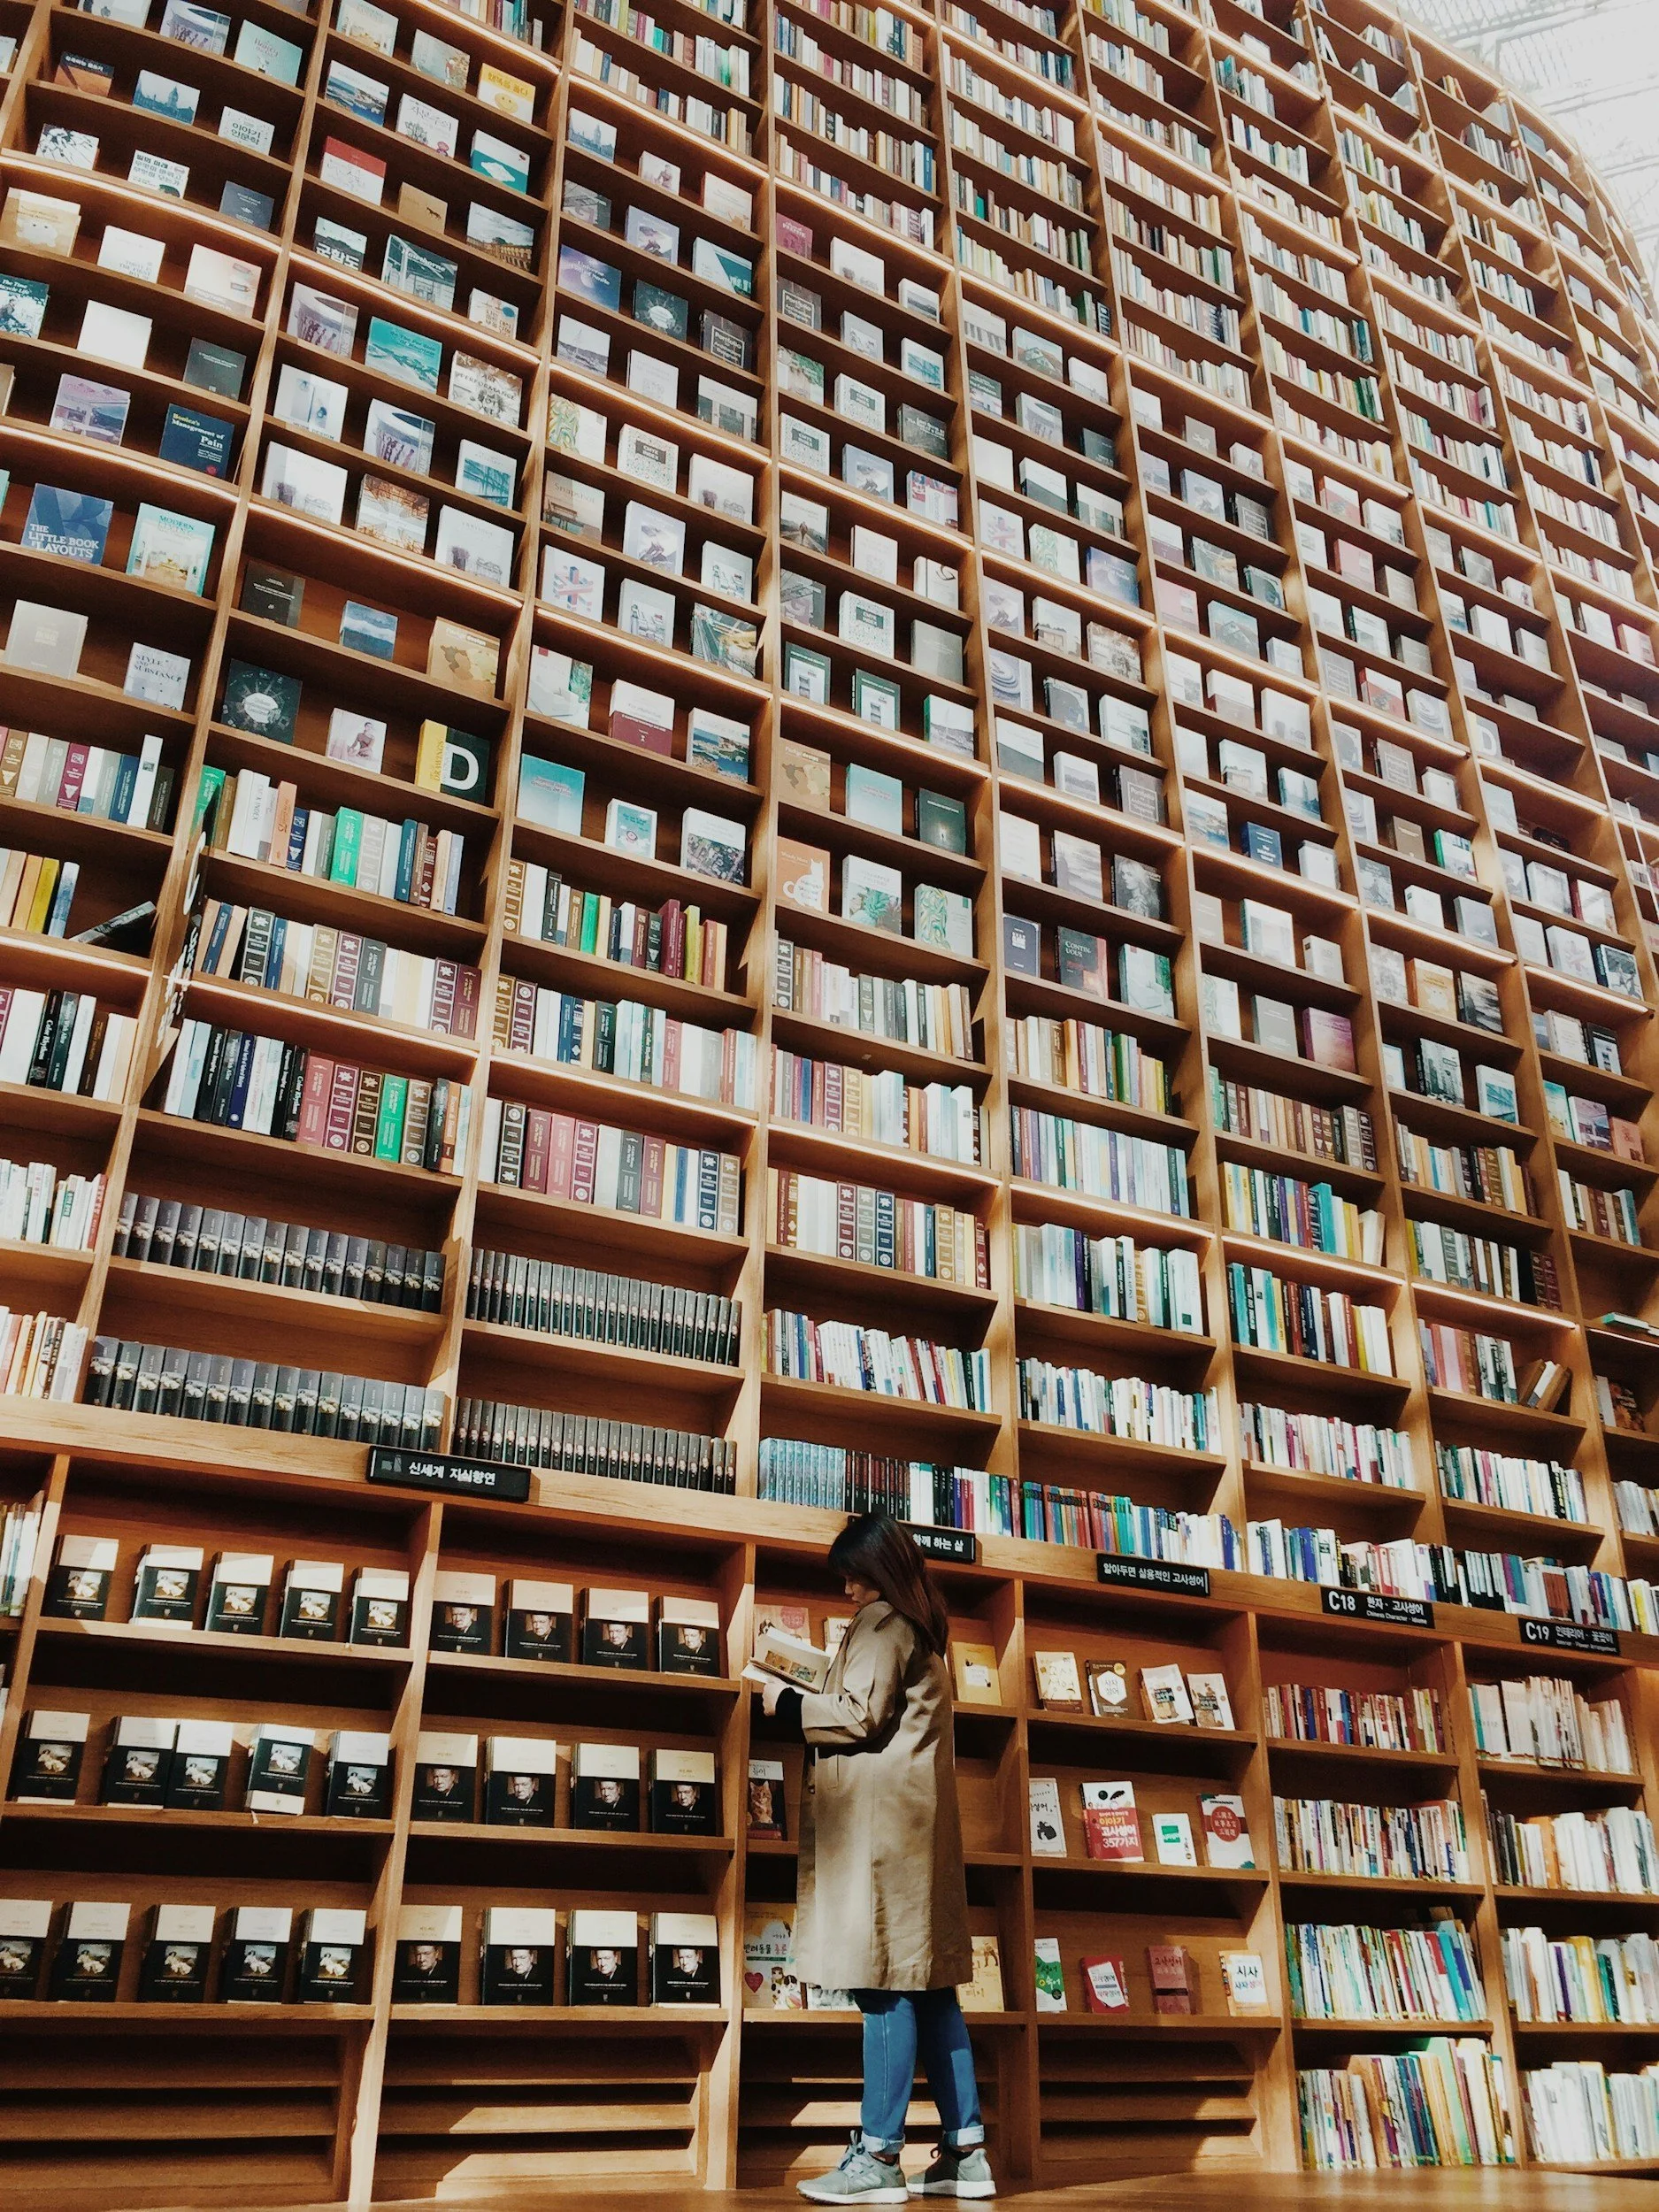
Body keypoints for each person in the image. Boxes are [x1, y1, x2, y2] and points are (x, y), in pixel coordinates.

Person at [758, 1514, 993, 2203]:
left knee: (882, 1981)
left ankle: (880, 2159)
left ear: (878, 1572)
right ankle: (964, 2153)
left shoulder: (882, 1623)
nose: (847, 1591)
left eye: (854, 1576)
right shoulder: (921, 1628)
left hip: (877, 1834)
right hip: (912, 1832)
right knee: (930, 1986)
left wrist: (782, 1702)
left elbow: (858, 1714)